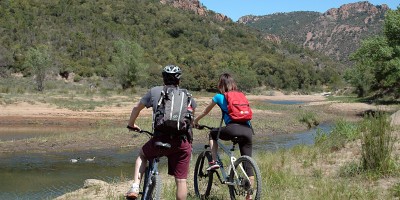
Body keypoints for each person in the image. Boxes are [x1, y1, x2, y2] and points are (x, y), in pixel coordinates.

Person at [125, 65, 196, 200]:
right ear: (179, 81)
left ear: (163, 79)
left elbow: (136, 108)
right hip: (181, 142)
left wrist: (131, 124)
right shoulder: (188, 96)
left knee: (142, 154)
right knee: (181, 180)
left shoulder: (154, 91)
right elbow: (190, 122)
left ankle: (135, 186)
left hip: (160, 139)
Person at [193, 73, 254, 199]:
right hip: (248, 131)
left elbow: (205, 112)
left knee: (212, 134)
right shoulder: (241, 96)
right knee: (247, 163)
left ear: (221, 85)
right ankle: (249, 196)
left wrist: (195, 121)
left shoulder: (219, 97)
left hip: (232, 129)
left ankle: (214, 161)